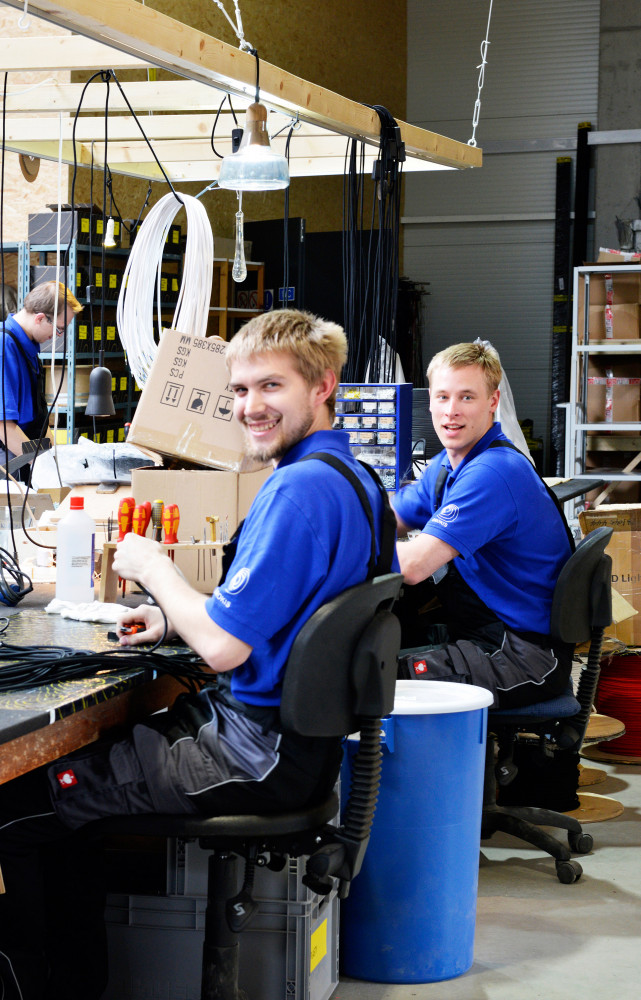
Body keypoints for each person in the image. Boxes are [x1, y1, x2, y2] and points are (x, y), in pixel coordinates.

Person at [0, 308, 398, 1000]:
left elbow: (220, 648)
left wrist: (156, 568)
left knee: (14, 811)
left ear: (323, 385)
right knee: (72, 805)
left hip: (252, 752)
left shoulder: (299, 491)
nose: (250, 408)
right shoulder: (355, 479)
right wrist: (170, 619)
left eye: (270, 388)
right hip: (293, 746)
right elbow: (275, 613)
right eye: (239, 391)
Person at [393, 341, 573, 709]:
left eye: (466, 398)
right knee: (379, 642)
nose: (451, 412)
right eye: (442, 397)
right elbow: (392, 517)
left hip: (521, 655)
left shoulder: (492, 472)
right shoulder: (451, 462)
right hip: (486, 630)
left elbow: (412, 566)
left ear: (492, 402)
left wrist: (336, 552)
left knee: (372, 676)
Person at [0, 281, 82, 468]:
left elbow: (39, 420)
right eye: (60, 328)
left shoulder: (29, 349)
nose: (59, 335)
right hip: (10, 461)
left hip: (26, 455)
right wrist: (44, 466)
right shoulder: (4, 346)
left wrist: (56, 459)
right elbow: (3, 425)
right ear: (40, 318)